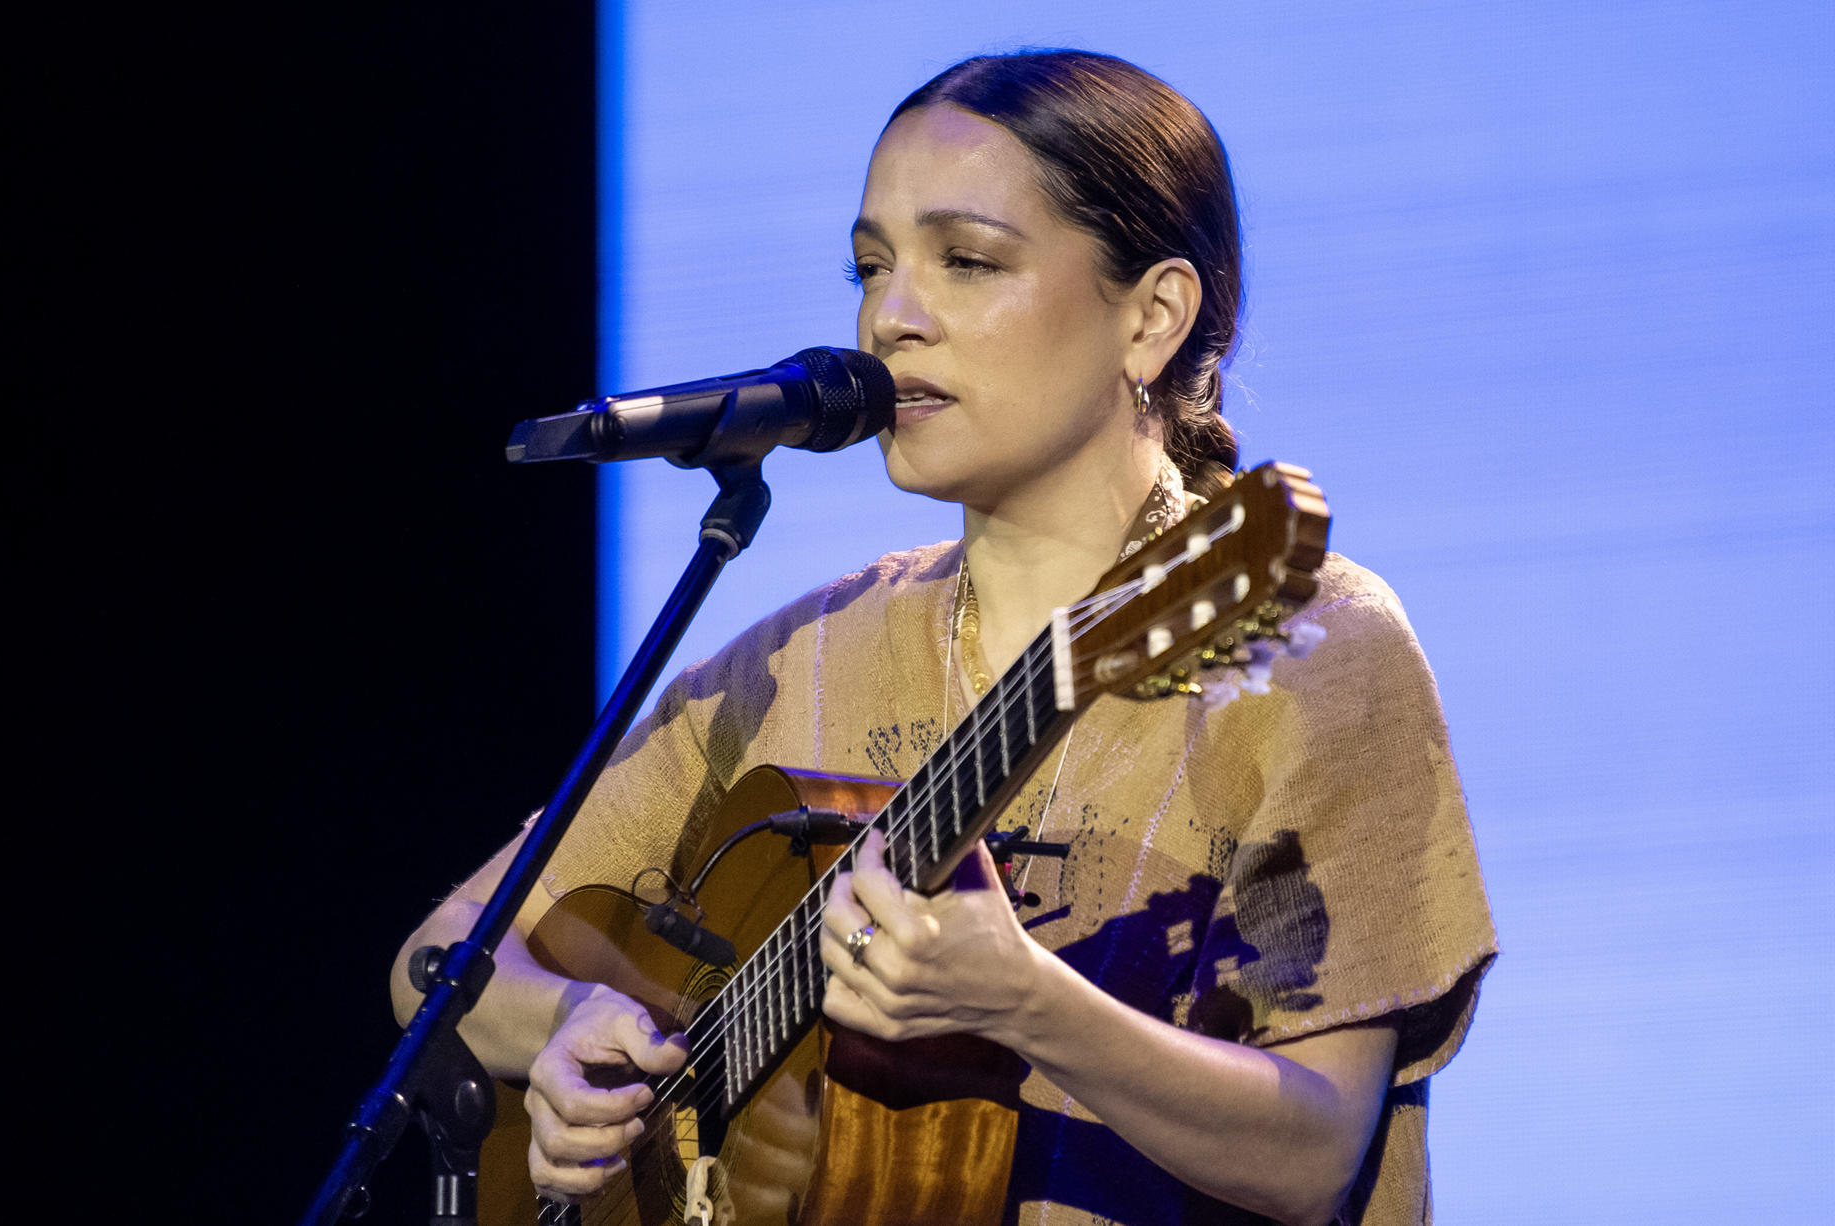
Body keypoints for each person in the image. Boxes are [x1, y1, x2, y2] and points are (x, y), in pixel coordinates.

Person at [394, 49, 1495, 1226]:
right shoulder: (809, 651)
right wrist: (570, 1028)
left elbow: (1316, 1149)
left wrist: (1028, 1003)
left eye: (965, 262)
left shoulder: (1307, 644)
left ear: (1154, 315)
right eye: (872, 266)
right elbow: (443, 955)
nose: (890, 318)